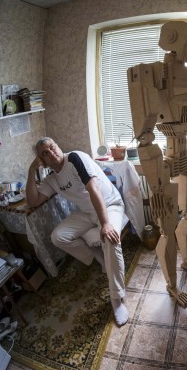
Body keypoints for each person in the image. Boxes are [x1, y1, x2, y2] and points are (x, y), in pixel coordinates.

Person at [26, 137, 128, 326]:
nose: (51, 153)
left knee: (110, 239)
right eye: (45, 154)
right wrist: (31, 170)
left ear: (58, 146)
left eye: (52, 147)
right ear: (42, 161)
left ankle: (117, 298)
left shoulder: (74, 158)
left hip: (109, 205)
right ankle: (97, 256)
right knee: (58, 237)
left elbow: (94, 189)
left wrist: (105, 223)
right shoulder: (51, 179)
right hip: (87, 212)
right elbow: (33, 201)